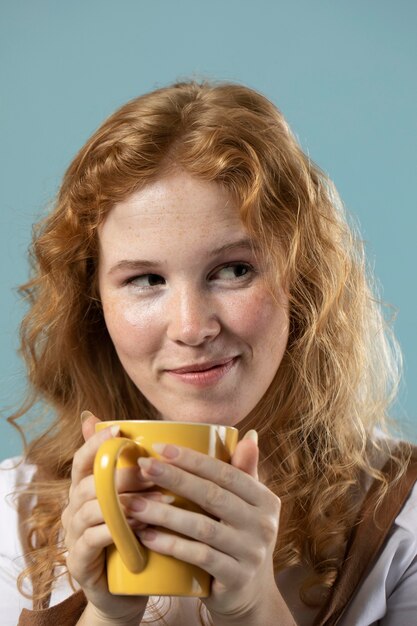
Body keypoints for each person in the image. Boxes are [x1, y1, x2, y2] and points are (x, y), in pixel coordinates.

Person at [0, 79, 416, 626]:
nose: (192, 327)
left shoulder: (402, 520)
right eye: (146, 279)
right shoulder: (9, 513)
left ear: (303, 281)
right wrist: (104, 615)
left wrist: (252, 609)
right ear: (92, 303)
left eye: (234, 270)